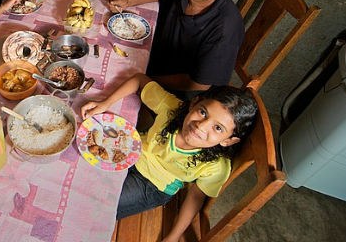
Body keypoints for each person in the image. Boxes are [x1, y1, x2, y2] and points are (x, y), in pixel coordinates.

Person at [81, 74, 257, 241]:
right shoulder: (172, 108)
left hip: (153, 186)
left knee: (96, 208)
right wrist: (105, 103)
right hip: (131, 150)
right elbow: (139, 79)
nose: (201, 126)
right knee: (79, 175)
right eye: (203, 112)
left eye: (218, 128)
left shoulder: (216, 167)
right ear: (194, 103)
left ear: (228, 141)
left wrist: (173, 236)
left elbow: (195, 198)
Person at [108, 0, 244, 101]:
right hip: (154, 58)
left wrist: (147, 79)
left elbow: (198, 85)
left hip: (176, 93)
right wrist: (128, 1)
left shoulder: (225, 31)